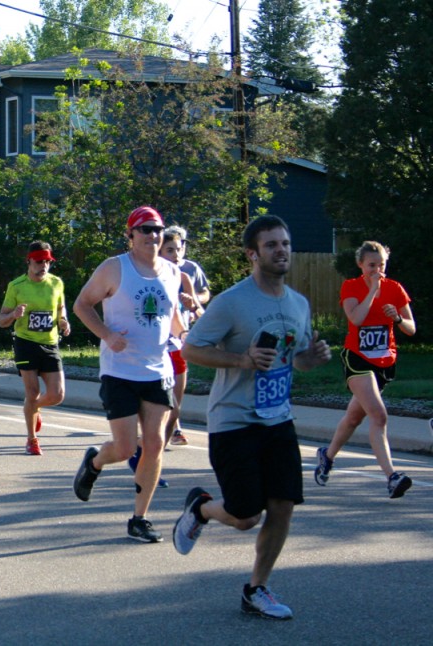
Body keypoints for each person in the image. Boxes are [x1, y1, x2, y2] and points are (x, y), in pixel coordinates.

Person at [172, 215, 332, 620]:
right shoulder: (232, 302)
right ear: (253, 253)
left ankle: (256, 588)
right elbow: (191, 349)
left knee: (282, 507)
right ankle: (202, 508)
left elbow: (292, 361)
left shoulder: (299, 304)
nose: (282, 251)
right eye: (272, 245)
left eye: (286, 243)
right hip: (233, 420)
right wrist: (242, 359)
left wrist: (308, 361)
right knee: (246, 515)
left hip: (277, 419)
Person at [71, 206, 184, 542]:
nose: (152, 235)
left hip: (158, 369)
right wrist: (107, 335)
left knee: (154, 444)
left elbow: (173, 318)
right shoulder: (114, 268)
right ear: (131, 235)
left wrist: (188, 335)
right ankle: (94, 462)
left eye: (157, 230)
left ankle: (140, 518)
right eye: (145, 230)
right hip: (119, 371)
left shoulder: (172, 272)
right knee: (124, 449)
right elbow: (82, 305)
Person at [314, 241, 416, 498]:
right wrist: (372, 291)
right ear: (361, 265)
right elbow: (356, 319)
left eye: (381, 265)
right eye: (372, 265)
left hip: (384, 362)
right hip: (357, 359)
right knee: (378, 415)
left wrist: (397, 318)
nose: (377, 270)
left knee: (353, 418)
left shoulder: (395, 289)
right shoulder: (352, 286)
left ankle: (326, 456)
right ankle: (392, 477)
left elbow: (411, 328)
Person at [0, 240, 71, 456]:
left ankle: (33, 409)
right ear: (29, 261)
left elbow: (60, 307)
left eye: (47, 262)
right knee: (33, 392)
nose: (43, 266)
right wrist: (13, 315)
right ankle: (32, 439)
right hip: (25, 343)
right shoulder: (16, 286)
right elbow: (1, 320)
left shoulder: (56, 283)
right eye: (39, 262)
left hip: (49, 343)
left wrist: (64, 321)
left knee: (57, 395)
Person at [160, 228, 205, 449]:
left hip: (178, 345)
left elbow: (200, 312)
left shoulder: (185, 277)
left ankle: (167, 435)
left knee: (175, 405)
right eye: (170, 250)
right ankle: (148, 449)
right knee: (160, 403)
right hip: (154, 349)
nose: (176, 255)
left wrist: (192, 305)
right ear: (159, 252)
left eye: (178, 250)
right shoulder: (148, 276)